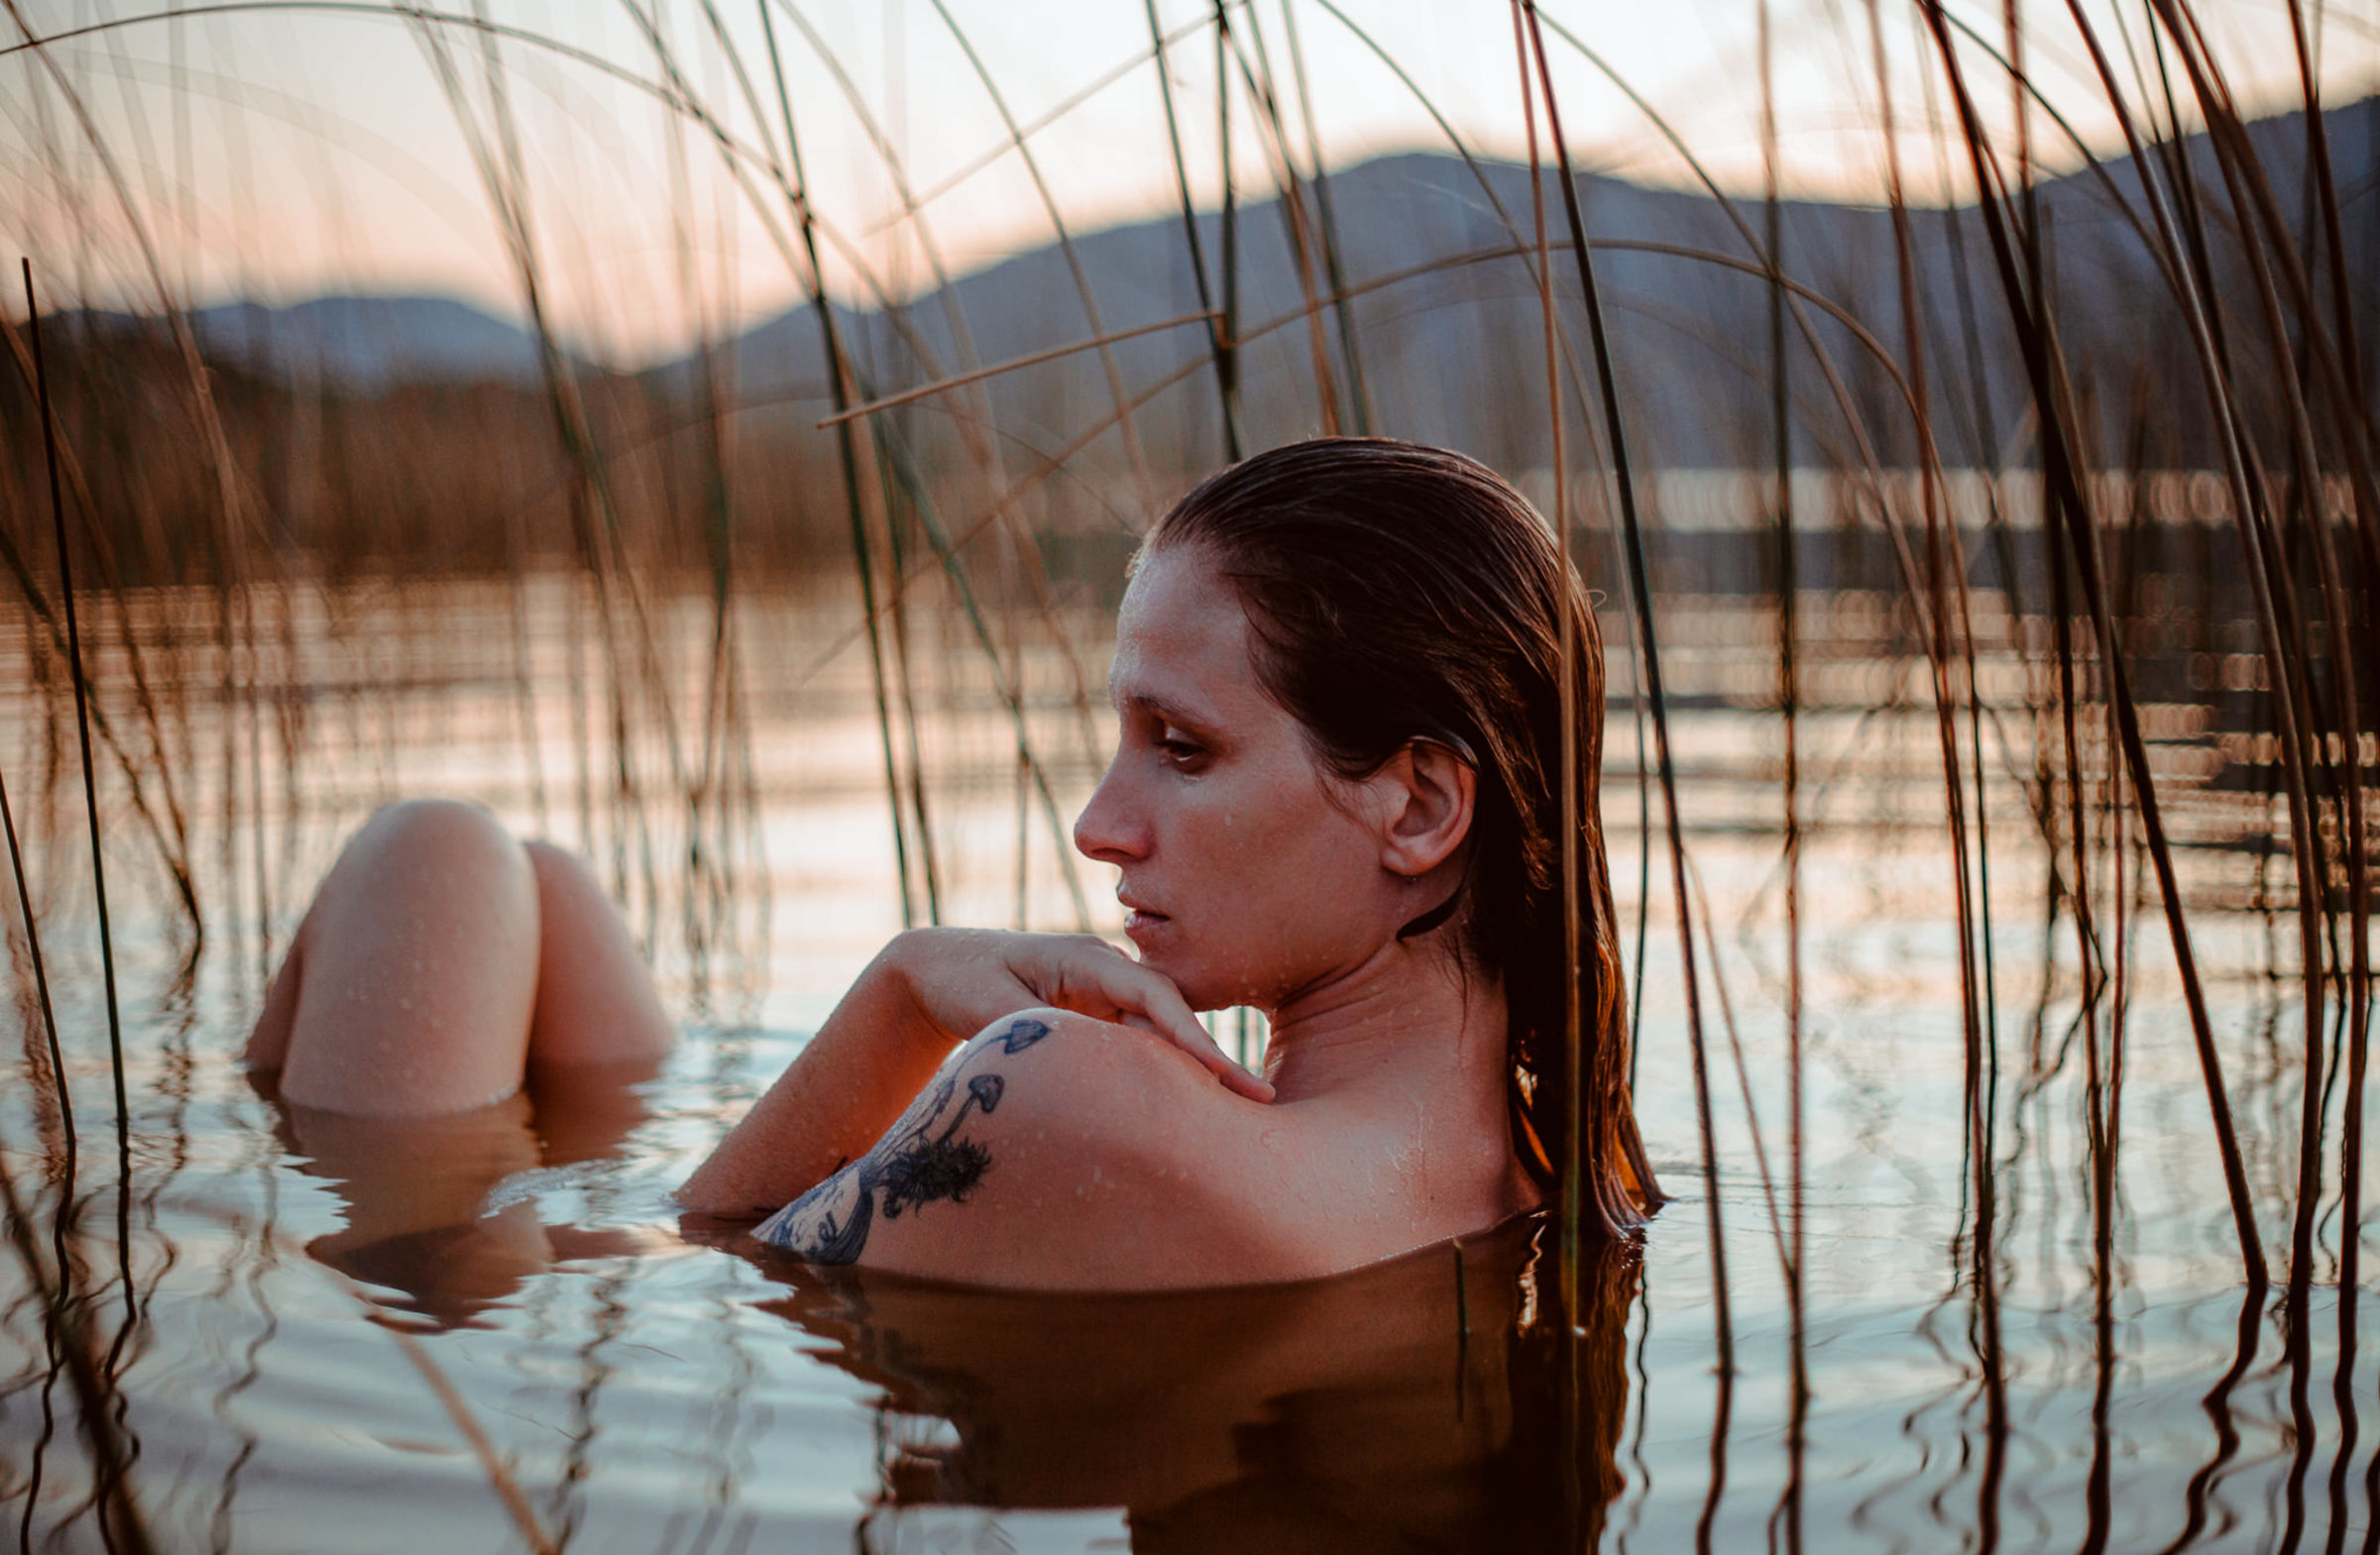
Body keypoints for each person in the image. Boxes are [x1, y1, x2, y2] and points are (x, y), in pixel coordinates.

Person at [247, 437, 1661, 1294]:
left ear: (1419, 807)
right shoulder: (1561, 1170)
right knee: (548, 891)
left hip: (463, 1298)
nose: (1098, 825)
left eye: (1181, 748)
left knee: (443, 851)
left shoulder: (1074, 1096)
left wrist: (901, 991)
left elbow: (709, 1259)